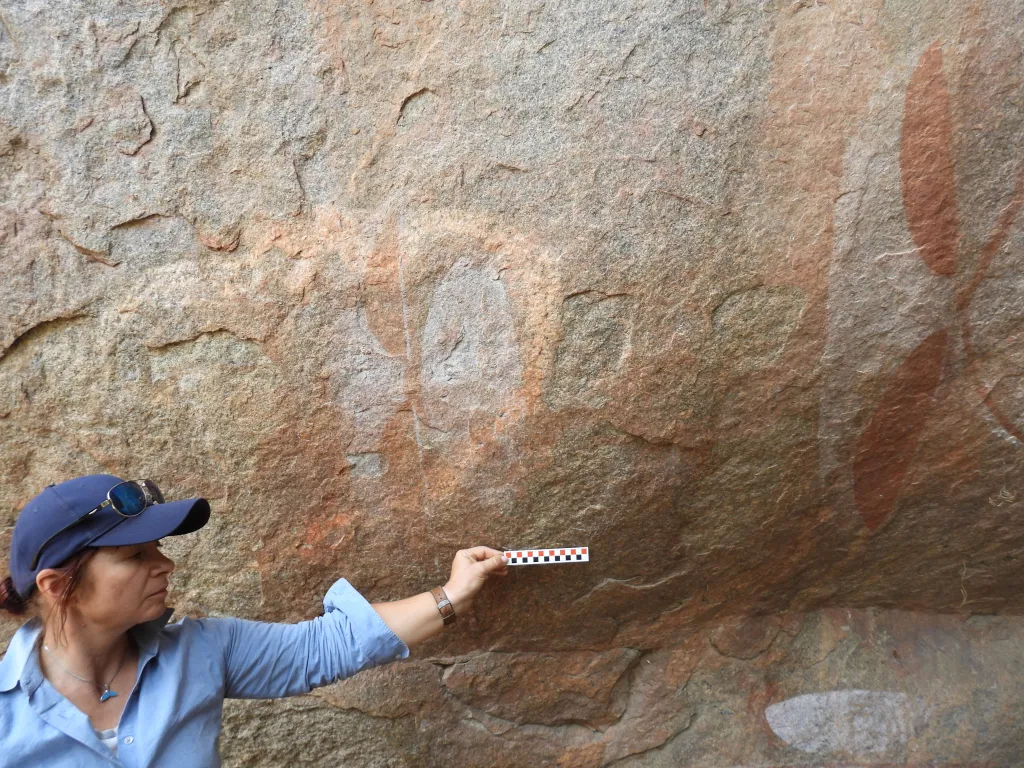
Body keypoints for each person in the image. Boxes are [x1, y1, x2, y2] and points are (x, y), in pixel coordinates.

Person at [0, 474, 509, 766]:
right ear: (54, 586)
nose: (166, 565)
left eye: (160, 548)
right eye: (135, 557)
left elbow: (327, 646)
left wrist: (453, 594)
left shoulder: (202, 652)